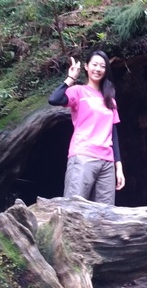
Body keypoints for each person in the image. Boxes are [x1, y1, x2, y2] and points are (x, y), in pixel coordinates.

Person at [48, 50, 125, 205]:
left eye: (102, 66)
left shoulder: (110, 99)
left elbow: (114, 134)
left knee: (105, 212)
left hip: (107, 162)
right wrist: (71, 78)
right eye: (94, 65)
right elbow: (54, 99)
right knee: (74, 206)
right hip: (83, 156)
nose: (98, 69)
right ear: (86, 66)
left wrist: (119, 167)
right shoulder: (78, 91)